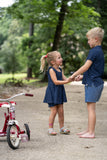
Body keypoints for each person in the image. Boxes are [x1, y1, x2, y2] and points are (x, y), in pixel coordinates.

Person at [70, 27, 104, 138]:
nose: (88, 42)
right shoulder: (99, 51)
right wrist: (83, 76)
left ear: (96, 39)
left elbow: (86, 66)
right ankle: (89, 130)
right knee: (90, 107)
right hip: (94, 82)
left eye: (89, 40)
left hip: (93, 84)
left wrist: (74, 74)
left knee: (91, 109)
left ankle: (91, 132)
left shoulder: (94, 51)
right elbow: (94, 70)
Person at [40, 51, 71, 135]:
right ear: (52, 62)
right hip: (52, 92)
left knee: (61, 110)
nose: (61, 59)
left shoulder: (60, 69)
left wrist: (73, 78)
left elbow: (65, 79)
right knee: (54, 111)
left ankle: (62, 128)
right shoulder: (51, 70)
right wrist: (67, 81)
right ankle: (50, 128)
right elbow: (56, 82)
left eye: (60, 57)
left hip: (59, 92)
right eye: (59, 58)